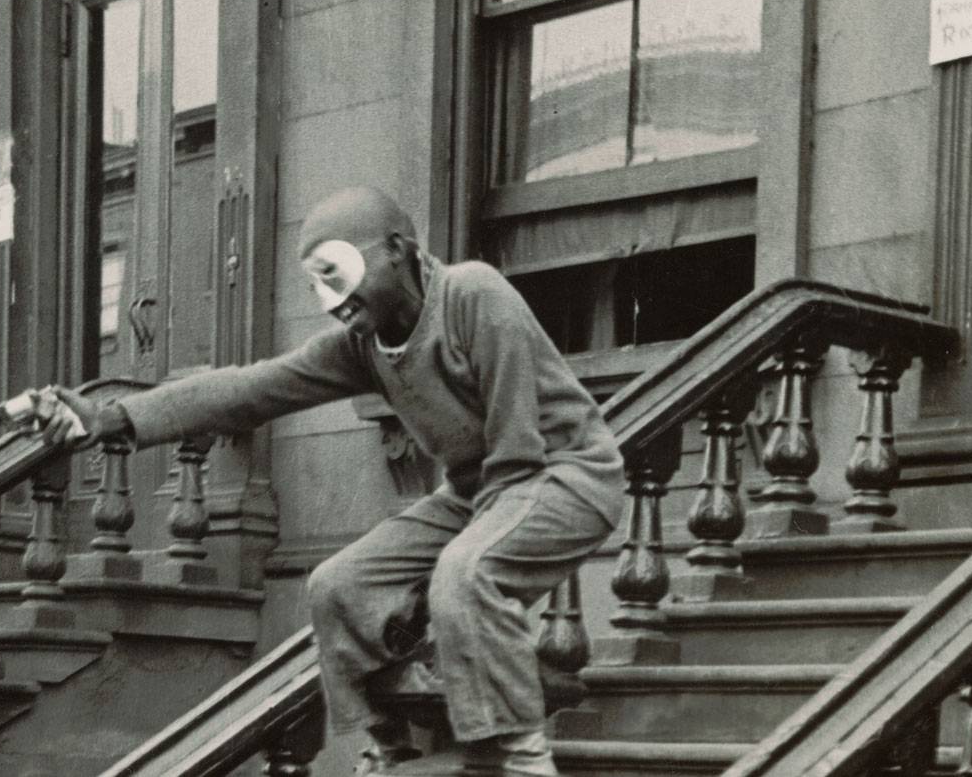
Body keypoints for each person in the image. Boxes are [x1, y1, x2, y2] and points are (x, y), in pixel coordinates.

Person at [40, 186, 625, 776]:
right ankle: (388, 746)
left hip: (564, 476)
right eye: (313, 284)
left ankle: (519, 760)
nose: (329, 301)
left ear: (396, 250)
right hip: (480, 494)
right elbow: (251, 387)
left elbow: (517, 451)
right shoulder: (363, 345)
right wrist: (110, 418)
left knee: (465, 571)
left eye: (334, 274)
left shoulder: (473, 293)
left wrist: (446, 576)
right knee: (337, 585)